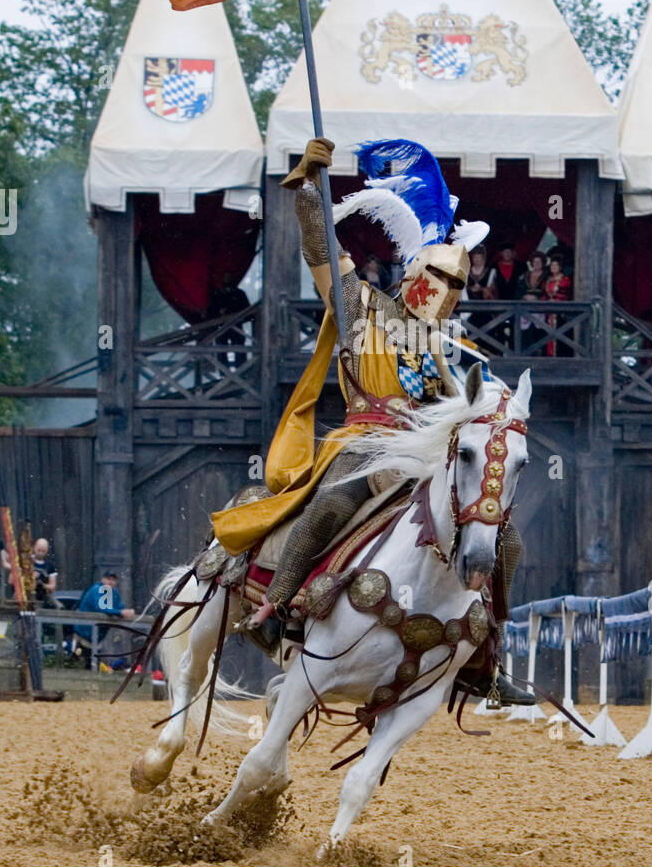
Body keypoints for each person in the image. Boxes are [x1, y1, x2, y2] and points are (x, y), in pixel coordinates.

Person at [208, 136, 533, 706]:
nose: (448, 292)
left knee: (502, 537)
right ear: (414, 272)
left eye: (458, 285)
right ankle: (277, 607)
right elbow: (322, 254)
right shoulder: (362, 307)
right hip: (363, 441)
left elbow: (460, 410)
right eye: (441, 278)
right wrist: (309, 189)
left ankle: (486, 654)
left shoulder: (446, 346)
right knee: (333, 505)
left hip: (422, 453)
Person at [75, 572, 135, 670]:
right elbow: (102, 608)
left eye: (113, 580)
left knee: (91, 664)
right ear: (103, 579)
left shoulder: (113, 593)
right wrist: (120, 612)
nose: (111, 582)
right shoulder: (96, 589)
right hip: (84, 634)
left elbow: (119, 607)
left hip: (97, 636)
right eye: (109, 579)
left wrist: (126, 612)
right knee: (86, 663)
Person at [542, 252, 573, 358]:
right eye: (552, 266)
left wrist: (556, 301)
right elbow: (544, 294)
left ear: (560, 267)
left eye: (555, 266)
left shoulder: (565, 280)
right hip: (549, 313)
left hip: (560, 312)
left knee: (561, 335)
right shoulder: (548, 280)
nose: (553, 268)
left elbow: (566, 294)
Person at [32, 537, 60, 608]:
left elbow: (52, 586)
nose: (40, 553)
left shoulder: (50, 565)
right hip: (28, 593)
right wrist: (31, 578)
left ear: (47, 551)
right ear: (34, 547)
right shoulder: (27, 562)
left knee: (58, 606)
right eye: (39, 550)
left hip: (43, 594)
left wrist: (43, 585)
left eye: (43, 551)